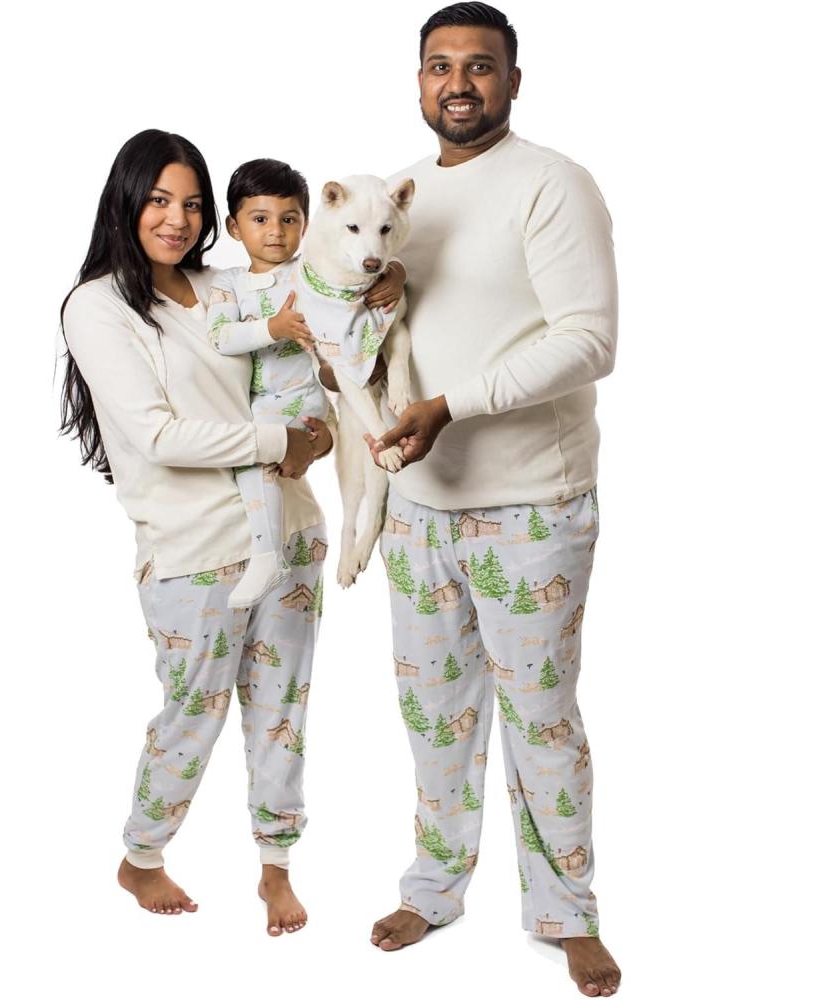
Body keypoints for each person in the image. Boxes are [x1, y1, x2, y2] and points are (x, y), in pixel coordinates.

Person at [364, 6, 622, 996]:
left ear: (513, 81)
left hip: (530, 504)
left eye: (479, 66)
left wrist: (450, 406)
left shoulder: (551, 183)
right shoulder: (398, 195)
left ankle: (567, 911)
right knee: (433, 712)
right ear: (418, 82)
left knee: (539, 715)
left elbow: (588, 339)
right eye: (439, 65)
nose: (458, 82)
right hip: (417, 504)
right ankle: (433, 888)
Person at [59, 130, 333, 936]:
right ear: (126, 201)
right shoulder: (99, 306)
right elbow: (156, 436)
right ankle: (142, 855)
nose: (176, 219)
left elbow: (309, 327)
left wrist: (317, 430)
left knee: (283, 712)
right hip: (193, 554)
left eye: (190, 204)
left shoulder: (224, 288)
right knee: (193, 714)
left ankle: (276, 866)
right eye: (158, 200)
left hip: (288, 531)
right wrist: (281, 442)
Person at [206, 158, 405, 608]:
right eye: (260, 219)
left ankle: (270, 556)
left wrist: (396, 272)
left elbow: (361, 277)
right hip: (263, 404)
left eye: (289, 219)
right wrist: (272, 328)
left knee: (267, 459)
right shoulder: (228, 285)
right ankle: (269, 550)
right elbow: (219, 337)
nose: (276, 231)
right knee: (255, 463)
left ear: (307, 224)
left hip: (310, 400)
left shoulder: (311, 271)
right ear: (234, 227)